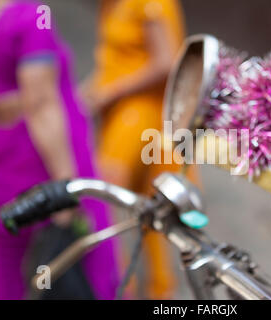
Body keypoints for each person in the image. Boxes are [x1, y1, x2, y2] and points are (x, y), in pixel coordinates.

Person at [0, 0, 119, 299]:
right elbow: (41, 105)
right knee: (77, 268)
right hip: (36, 169)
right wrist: (66, 190)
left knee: (5, 279)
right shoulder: (33, 15)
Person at [81, 0, 197, 299]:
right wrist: (87, 93)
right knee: (148, 209)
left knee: (105, 201)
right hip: (121, 113)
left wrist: (111, 91)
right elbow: (117, 59)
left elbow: (166, 61)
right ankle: (154, 291)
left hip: (140, 114)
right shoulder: (112, 4)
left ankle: (119, 289)